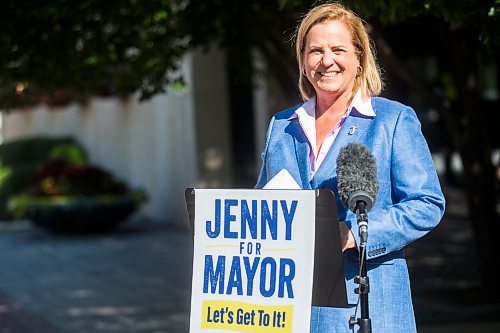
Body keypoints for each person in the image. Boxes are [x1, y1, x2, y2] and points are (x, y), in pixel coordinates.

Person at [255, 3, 445, 332]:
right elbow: (261, 202)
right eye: (315, 50)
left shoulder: (393, 120)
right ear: (303, 58)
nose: (326, 60)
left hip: (369, 304)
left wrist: (356, 233)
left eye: (338, 49)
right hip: (292, 308)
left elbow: (427, 203)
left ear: (359, 57)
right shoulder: (281, 125)